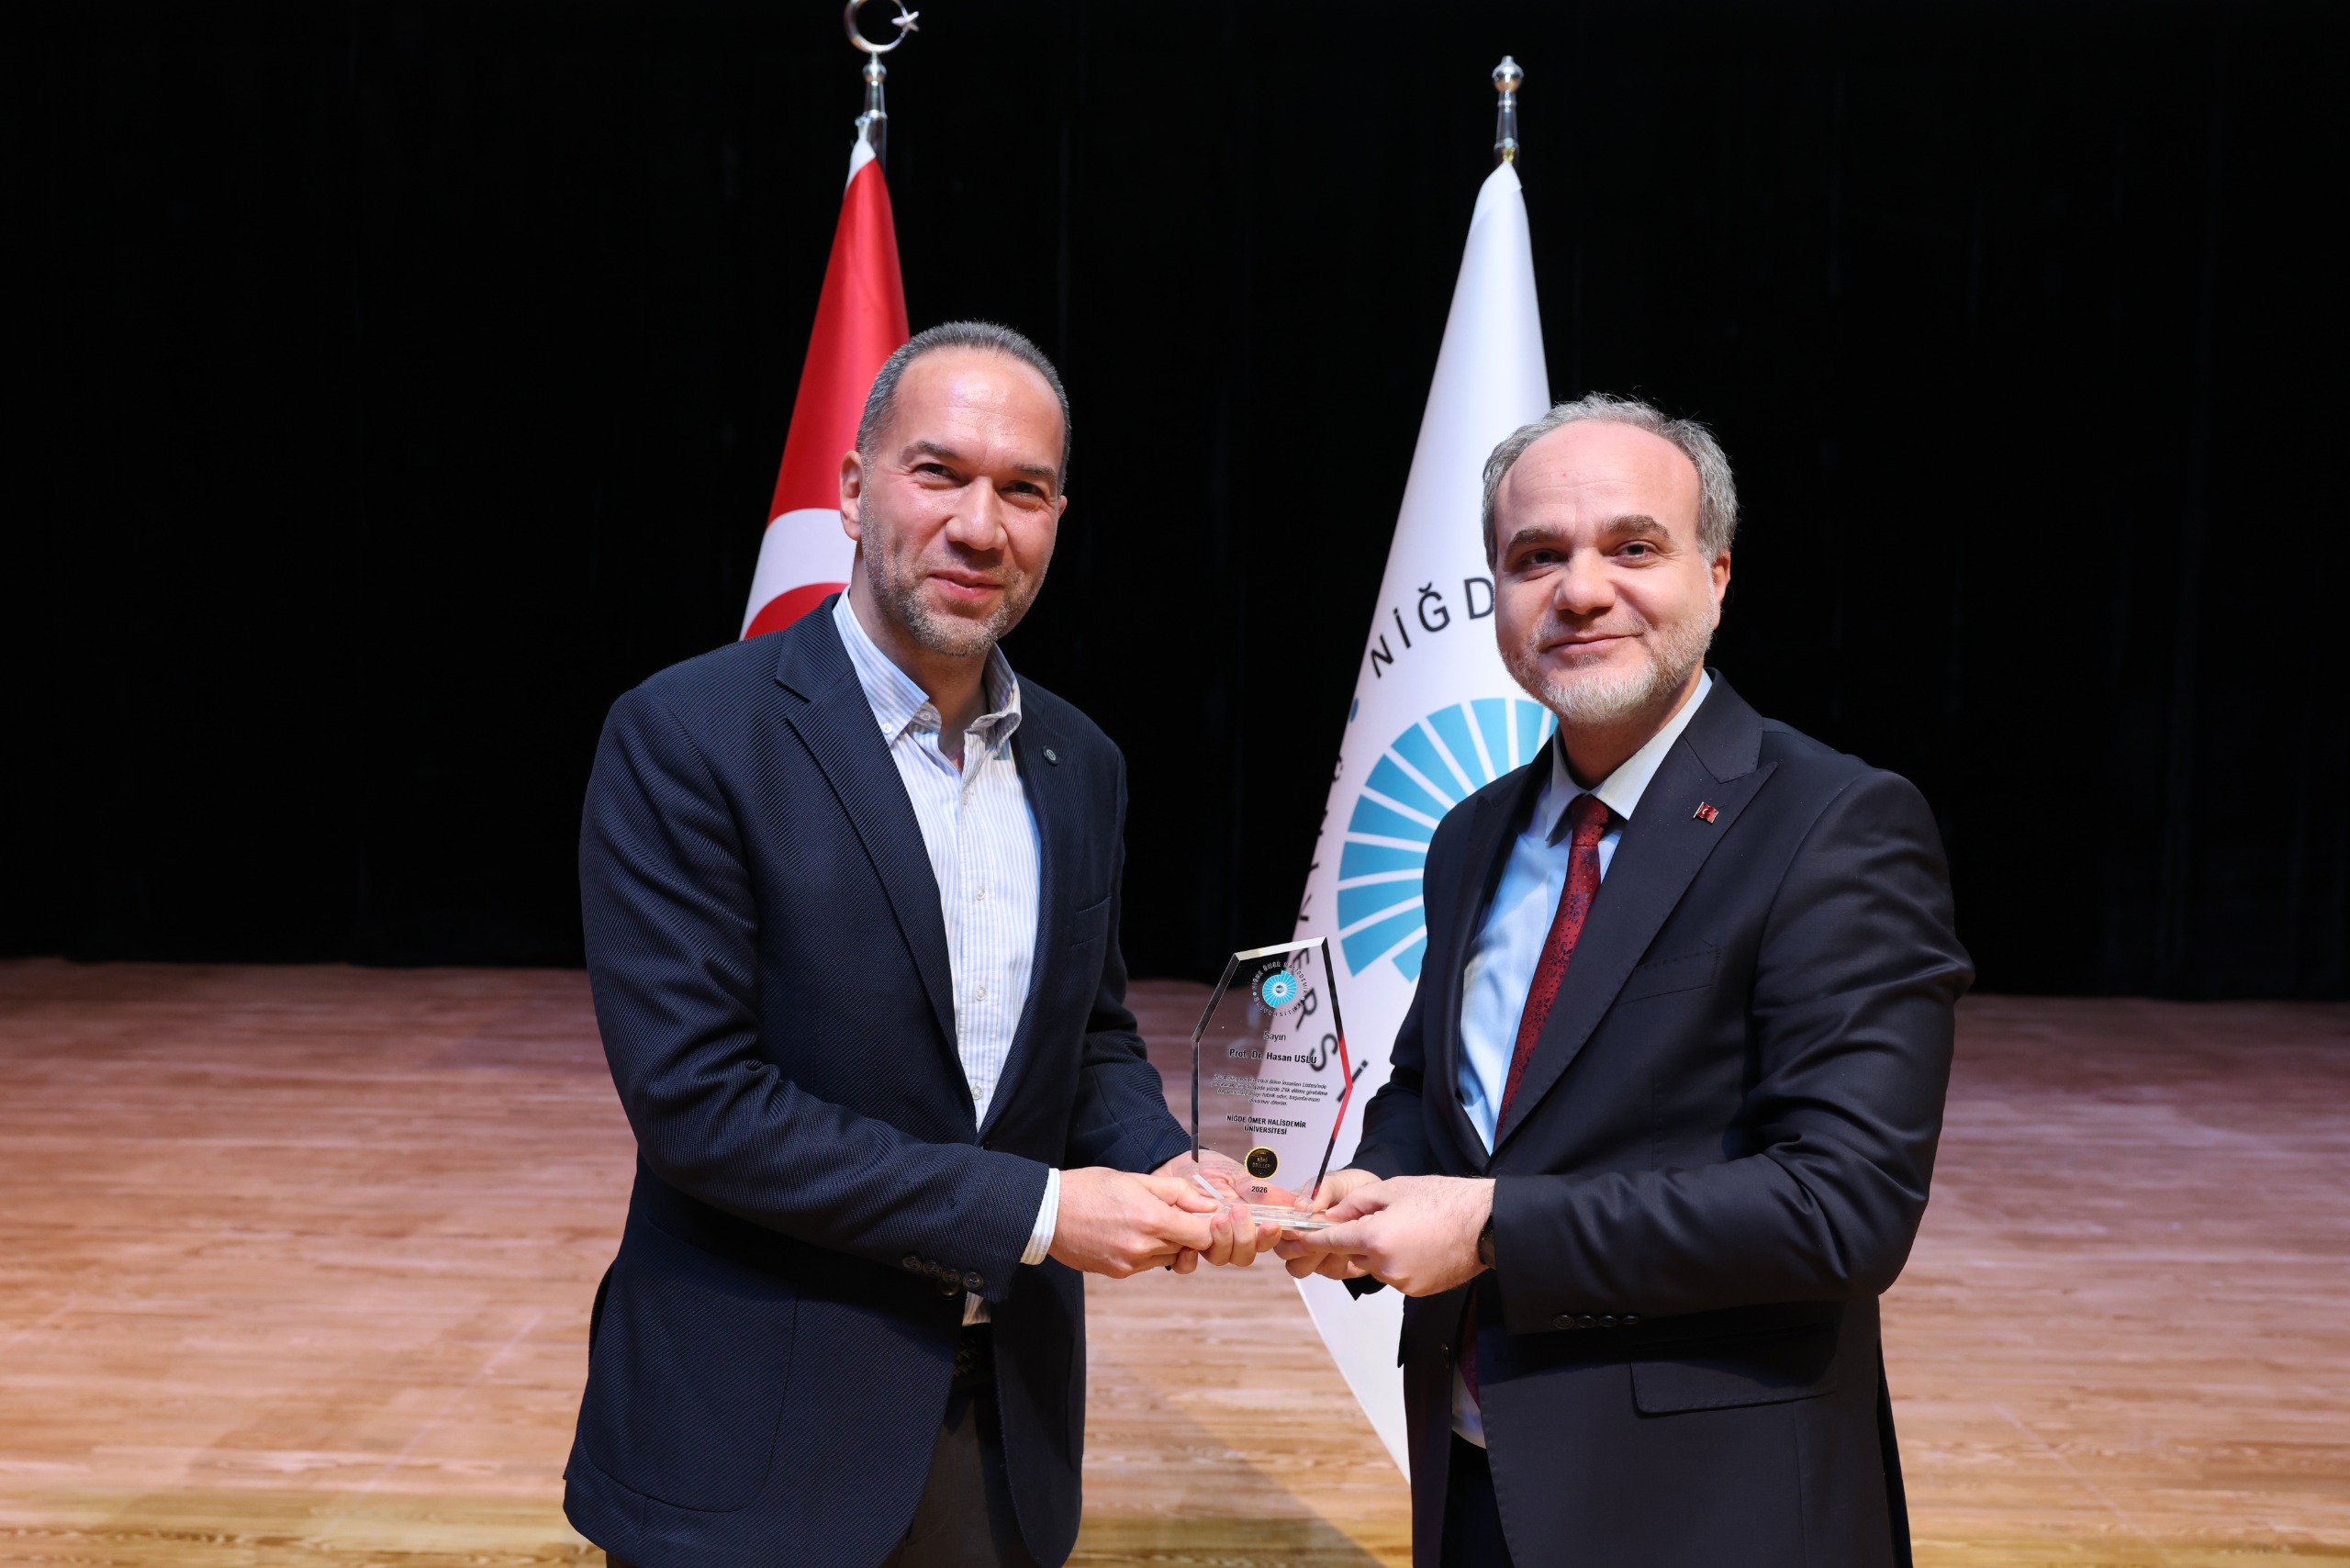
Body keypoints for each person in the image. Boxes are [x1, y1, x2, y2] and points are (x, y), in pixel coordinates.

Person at [565, 320, 1278, 1568]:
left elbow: (1089, 1043)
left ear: (1058, 518)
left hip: (1003, 1431)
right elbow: (700, 1108)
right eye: (938, 472)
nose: (979, 526)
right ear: (852, 489)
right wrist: (1043, 1211)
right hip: (753, 1438)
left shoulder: (1081, 761)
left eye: (1024, 490)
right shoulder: (688, 734)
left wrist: (1168, 1163)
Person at [1279, 394, 1973, 1568]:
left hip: (1713, 1508)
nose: (1581, 590)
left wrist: (1489, 1228)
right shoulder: (1468, 835)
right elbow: (1436, 1096)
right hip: (1471, 1470)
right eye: (1535, 556)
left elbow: (1842, 1209)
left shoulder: (1837, 824)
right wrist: (1369, 1182)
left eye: (1632, 547)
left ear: (1717, 575)